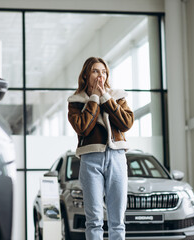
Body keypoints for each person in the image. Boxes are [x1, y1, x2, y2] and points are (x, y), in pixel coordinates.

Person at [67, 57, 134, 240]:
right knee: (94, 218)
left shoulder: (117, 96)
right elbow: (83, 128)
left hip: (117, 157)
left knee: (117, 219)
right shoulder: (76, 101)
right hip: (91, 159)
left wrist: (106, 98)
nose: (100, 76)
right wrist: (95, 99)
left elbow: (126, 122)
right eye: (96, 71)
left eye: (104, 72)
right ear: (86, 74)